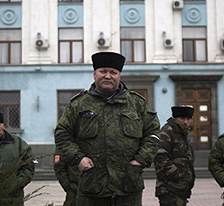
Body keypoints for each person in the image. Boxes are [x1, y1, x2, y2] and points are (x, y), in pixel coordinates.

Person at [54, 51, 161, 206]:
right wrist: (78, 158)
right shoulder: (79, 104)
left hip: (128, 186)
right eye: (103, 71)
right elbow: (62, 133)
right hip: (92, 187)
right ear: (94, 74)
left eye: (113, 72)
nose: (108, 76)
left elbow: (153, 133)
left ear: (119, 76)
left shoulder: (136, 104)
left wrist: (141, 160)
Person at [154, 105, 196, 206]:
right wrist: (177, 174)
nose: (185, 122)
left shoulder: (181, 133)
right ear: (175, 118)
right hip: (169, 189)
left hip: (180, 189)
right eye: (182, 118)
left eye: (188, 119)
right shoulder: (167, 132)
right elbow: (160, 156)